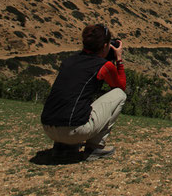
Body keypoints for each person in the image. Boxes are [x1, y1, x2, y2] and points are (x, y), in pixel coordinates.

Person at [41, 24, 127, 160]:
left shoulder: (69, 61)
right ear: (105, 46)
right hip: (73, 131)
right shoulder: (104, 65)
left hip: (48, 127)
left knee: (77, 96)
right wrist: (119, 59)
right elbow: (120, 86)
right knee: (119, 95)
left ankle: (62, 147)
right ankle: (95, 148)